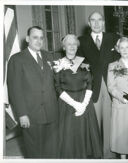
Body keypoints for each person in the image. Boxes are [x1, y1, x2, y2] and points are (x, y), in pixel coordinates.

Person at [7, 26, 59, 158]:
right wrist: (22, 114)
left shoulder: (49, 56)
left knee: (52, 150)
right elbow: (15, 90)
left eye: (41, 38)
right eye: (35, 37)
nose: (39, 41)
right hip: (31, 114)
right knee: (34, 152)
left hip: (51, 112)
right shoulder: (17, 59)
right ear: (28, 39)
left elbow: (57, 82)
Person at [78, 11, 119, 158]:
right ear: (89, 23)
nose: (96, 23)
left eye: (99, 20)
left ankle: (109, 155)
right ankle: (95, 155)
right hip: (91, 87)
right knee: (93, 123)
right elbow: (77, 63)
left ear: (103, 23)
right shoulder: (81, 41)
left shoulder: (114, 38)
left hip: (110, 86)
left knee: (109, 122)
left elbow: (121, 62)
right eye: (93, 20)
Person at [53, 34, 102, 158]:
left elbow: (90, 84)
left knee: (84, 136)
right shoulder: (58, 64)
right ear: (64, 47)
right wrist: (75, 104)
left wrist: (83, 105)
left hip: (85, 103)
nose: (72, 46)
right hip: (67, 104)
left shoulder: (84, 63)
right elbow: (58, 87)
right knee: (69, 137)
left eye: (74, 44)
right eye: (69, 44)